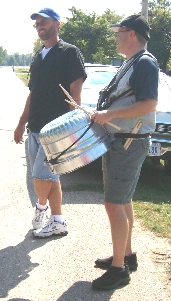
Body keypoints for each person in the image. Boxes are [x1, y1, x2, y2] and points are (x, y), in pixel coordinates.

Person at [90, 14, 159, 290]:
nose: (116, 36)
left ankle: (119, 270)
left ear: (131, 34)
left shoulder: (144, 62)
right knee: (124, 199)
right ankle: (126, 256)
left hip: (129, 141)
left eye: (119, 32)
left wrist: (109, 114)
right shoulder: (132, 62)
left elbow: (149, 104)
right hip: (122, 139)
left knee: (113, 203)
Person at [14, 8, 86, 238]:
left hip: (56, 131)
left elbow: (75, 92)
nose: (39, 26)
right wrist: (20, 123)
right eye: (36, 24)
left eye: (43, 22)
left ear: (57, 24)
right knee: (51, 177)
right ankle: (58, 221)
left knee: (40, 176)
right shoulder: (38, 56)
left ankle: (41, 208)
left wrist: (71, 129)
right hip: (35, 127)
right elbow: (33, 93)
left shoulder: (69, 53)